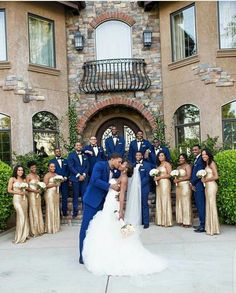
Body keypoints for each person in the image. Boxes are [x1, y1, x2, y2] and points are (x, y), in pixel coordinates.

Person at [82, 161, 167, 276]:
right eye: (121, 162)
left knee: (115, 226)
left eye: (123, 164)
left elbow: (122, 195)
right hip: (109, 202)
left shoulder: (124, 178)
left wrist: (121, 210)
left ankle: (121, 250)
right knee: (109, 227)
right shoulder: (119, 175)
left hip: (114, 204)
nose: (120, 164)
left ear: (125, 169)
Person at [79, 153, 122, 264]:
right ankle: (82, 255)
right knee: (86, 227)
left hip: (105, 204)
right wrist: (110, 186)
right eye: (119, 161)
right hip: (92, 201)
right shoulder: (99, 165)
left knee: (97, 228)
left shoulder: (116, 171)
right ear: (112, 159)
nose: (120, 164)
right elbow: (95, 180)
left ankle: (94, 253)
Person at [7, 165, 30, 243]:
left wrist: (25, 193)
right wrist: (18, 192)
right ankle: (19, 237)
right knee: (21, 215)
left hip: (24, 200)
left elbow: (27, 191)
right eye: (19, 170)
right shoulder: (12, 179)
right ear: (16, 171)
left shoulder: (24, 180)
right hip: (16, 199)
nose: (20, 171)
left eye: (22, 170)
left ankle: (25, 234)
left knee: (25, 215)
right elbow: (9, 190)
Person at [201, 149, 220, 236]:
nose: (203, 156)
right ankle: (209, 227)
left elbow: (216, 176)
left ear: (208, 155)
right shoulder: (206, 164)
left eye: (205, 154)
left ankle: (213, 229)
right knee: (208, 205)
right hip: (207, 186)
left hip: (212, 186)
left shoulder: (212, 163)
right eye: (202, 155)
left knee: (211, 205)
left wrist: (206, 179)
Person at [68, 142, 89, 218]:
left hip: (84, 178)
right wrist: (78, 175)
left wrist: (83, 175)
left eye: (80, 145)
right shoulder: (71, 155)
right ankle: (75, 212)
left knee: (84, 195)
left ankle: (85, 211)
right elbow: (70, 166)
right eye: (77, 145)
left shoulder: (85, 155)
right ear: (75, 147)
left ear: (81, 146)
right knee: (75, 195)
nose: (79, 146)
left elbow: (87, 166)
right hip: (75, 178)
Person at [133, 151, 152, 229]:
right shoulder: (133, 165)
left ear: (142, 156)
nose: (138, 156)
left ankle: (146, 222)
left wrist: (139, 184)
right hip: (134, 188)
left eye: (139, 155)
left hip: (144, 188)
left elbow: (147, 177)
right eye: (136, 155)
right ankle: (139, 220)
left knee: (144, 204)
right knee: (136, 204)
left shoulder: (147, 165)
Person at [154, 151, 173, 227]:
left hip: (165, 183)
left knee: (165, 200)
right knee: (159, 200)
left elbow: (170, 175)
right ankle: (160, 220)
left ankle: (167, 221)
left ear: (165, 156)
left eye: (162, 155)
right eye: (159, 156)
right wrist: (155, 178)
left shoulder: (167, 164)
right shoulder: (158, 165)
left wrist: (160, 177)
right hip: (159, 184)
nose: (160, 157)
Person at [26, 161, 44, 237]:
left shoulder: (37, 176)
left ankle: (39, 229)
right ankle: (34, 230)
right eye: (32, 167)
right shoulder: (28, 176)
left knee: (38, 209)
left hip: (38, 195)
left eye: (35, 167)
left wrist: (40, 190)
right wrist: (34, 191)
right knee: (33, 210)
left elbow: (39, 185)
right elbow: (26, 187)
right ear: (29, 168)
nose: (34, 168)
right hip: (32, 195)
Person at [50, 148, 70, 217]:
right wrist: (56, 178)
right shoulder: (52, 161)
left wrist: (66, 177)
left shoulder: (65, 160)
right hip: (56, 182)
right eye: (56, 152)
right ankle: (58, 213)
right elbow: (51, 171)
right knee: (56, 197)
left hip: (64, 181)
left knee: (65, 197)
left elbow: (68, 170)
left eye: (59, 151)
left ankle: (64, 212)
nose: (58, 153)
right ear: (54, 153)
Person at [190, 144, 206, 233]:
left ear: (199, 150)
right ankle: (201, 223)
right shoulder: (197, 159)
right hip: (195, 185)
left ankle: (203, 225)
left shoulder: (200, 160)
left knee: (201, 205)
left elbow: (199, 174)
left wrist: (192, 182)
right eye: (193, 150)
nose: (194, 151)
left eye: (196, 149)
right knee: (199, 205)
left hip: (199, 185)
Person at [174, 154, 192, 227]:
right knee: (179, 202)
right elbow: (176, 176)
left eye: (182, 158)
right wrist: (175, 179)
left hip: (185, 186)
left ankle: (187, 222)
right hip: (178, 187)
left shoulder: (187, 166)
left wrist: (179, 179)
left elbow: (188, 176)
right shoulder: (178, 167)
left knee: (186, 202)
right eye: (180, 158)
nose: (181, 159)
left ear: (185, 159)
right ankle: (181, 220)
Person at [43, 162, 60, 234]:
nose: (53, 168)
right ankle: (50, 227)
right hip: (49, 194)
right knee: (50, 208)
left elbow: (58, 184)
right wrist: (54, 184)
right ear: (48, 168)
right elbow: (45, 185)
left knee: (55, 208)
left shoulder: (56, 175)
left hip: (56, 194)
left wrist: (59, 183)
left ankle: (55, 226)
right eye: (51, 167)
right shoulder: (47, 175)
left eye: (54, 167)